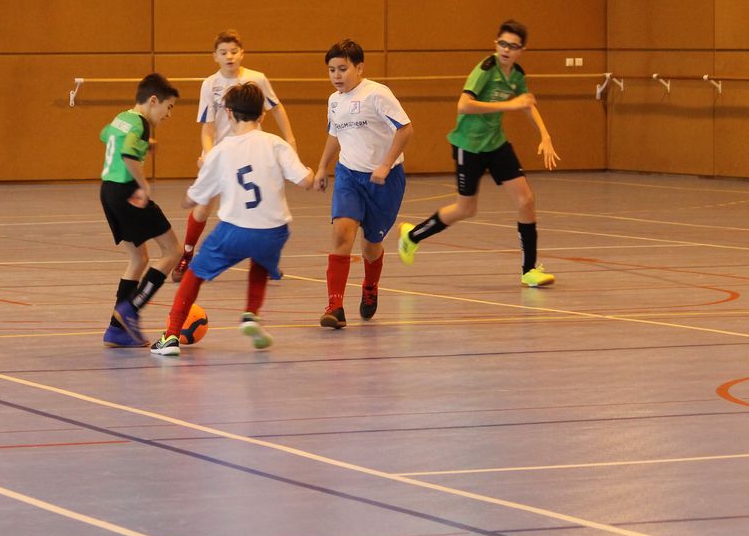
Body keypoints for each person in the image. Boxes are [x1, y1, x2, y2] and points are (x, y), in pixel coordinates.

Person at [151, 82, 313, 356]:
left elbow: (195, 196)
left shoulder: (221, 150)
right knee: (260, 262)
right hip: (274, 231)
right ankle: (251, 314)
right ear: (262, 115)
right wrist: (312, 173)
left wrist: (188, 197)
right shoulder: (276, 143)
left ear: (228, 113)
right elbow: (305, 181)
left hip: (235, 229)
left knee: (194, 274)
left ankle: (171, 336)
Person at [398, 19, 560, 287]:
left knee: (526, 200)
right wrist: (508, 106)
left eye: (513, 46)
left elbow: (527, 104)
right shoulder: (485, 69)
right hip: (469, 145)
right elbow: (464, 105)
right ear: (496, 44)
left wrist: (545, 135)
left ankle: (529, 270)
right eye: (503, 43)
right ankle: (412, 236)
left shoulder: (517, 75)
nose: (506, 49)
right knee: (466, 208)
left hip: (495, 143)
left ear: (522, 50)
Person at [172, 29, 297, 282]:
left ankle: (263, 261)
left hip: (252, 151)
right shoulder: (210, 84)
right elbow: (207, 127)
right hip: (221, 151)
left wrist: (290, 139)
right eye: (223, 52)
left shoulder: (257, 79)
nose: (229, 56)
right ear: (215, 56)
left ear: (242, 54)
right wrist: (209, 156)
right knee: (203, 208)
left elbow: (276, 107)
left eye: (233, 51)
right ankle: (187, 254)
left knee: (259, 204)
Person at [312, 39, 413, 329]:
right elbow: (335, 134)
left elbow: (406, 129)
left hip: (384, 180)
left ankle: (370, 286)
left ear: (359, 68)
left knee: (371, 246)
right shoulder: (334, 101)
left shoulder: (376, 94)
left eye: (343, 69)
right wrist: (322, 167)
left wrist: (385, 164)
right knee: (342, 234)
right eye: (331, 70)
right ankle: (335, 307)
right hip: (349, 176)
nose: (336, 75)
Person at [100, 73, 183, 347]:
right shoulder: (141, 123)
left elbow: (106, 135)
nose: (168, 114)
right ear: (153, 100)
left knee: (138, 258)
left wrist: (144, 145)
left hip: (108, 191)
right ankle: (131, 309)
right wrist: (144, 185)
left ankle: (116, 330)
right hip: (128, 192)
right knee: (173, 251)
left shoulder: (121, 118)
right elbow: (127, 153)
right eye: (168, 107)